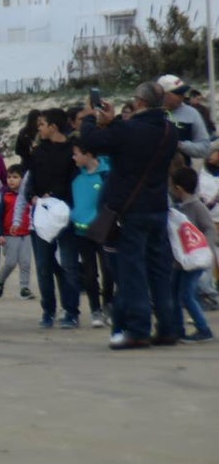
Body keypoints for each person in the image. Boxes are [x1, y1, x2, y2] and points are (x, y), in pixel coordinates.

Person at [78, 82, 178, 349]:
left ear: (140, 102)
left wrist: (90, 117)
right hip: (158, 206)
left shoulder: (130, 129)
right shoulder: (169, 130)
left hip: (132, 210)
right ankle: (168, 327)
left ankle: (138, 329)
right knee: (159, 270)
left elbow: (90, 142)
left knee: (132, 271)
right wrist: (112, 123)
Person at [14, 108, 81, 329]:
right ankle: (48, 311)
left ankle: (71, 311)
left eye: (42, 124)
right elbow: (30, 180)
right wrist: (33, 196)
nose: (39, 128)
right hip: (41, 215)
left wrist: (56, 196)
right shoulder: (37, 152)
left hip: (64, 215)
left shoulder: (72, 150)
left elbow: (74, 181)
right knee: (43, 265)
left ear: (53, 126)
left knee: (69, 264)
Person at [168, 168, 215, 343]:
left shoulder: (196, 207)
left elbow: (209, 228)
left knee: (186, 295)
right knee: (174, 293)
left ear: (179, 188)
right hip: (181, 262)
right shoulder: (179, 208)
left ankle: (204, 329)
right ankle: (177, 328)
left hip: (195, 261)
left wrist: (204, 249)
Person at [70, 139, 111, 328]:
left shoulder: (106, 175)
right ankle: (95, 310)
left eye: (76, 153)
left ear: (88, 154)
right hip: (81, 231)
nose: (74, 157)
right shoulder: (76, 177)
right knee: (89, 272)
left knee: (108, 270)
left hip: (103, 230)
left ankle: (108, 306)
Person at [0, 164, 34, 301]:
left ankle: (24, 288)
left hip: (26, 233)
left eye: (15, 177)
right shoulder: (5, 196)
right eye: (9, 177)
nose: (11, 180)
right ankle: (0, 280)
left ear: (24, 179)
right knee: (10, 262)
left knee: (26, 262)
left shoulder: (29, 196)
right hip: (9, 234)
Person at [156, 74, 210, 165]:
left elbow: (204, 148)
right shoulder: (149, 112)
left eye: (183, 93)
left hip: (179, 173)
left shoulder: (191, 114)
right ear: (164, 94)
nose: (182, 96)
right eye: (178, 93)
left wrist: (179, 145)